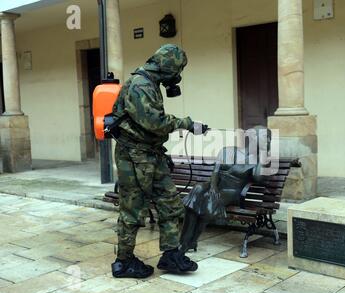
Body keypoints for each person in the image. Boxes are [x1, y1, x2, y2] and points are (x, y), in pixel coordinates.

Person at [110, 44, 208, 279]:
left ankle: (171, 255)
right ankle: (123, 262)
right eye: (177, 70)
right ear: (168, 67)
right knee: (133, 211)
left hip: (150, 154)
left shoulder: (151, 83)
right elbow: (154, 122)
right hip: (133, 156)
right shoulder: (140, 85)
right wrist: (186, 123)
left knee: (171, 204)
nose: (177, 76)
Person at [179, 127, 272, 254]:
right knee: (197, 189)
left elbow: (258, 178)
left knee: (205, 201)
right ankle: (186, 242)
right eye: (264, 137)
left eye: (268, 138)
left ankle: (187, 243)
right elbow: (216, 171)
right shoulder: (228, 151)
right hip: (217, 184)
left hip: (232, 190)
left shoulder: (259, 160)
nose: (267, 140)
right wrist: (213, 187)